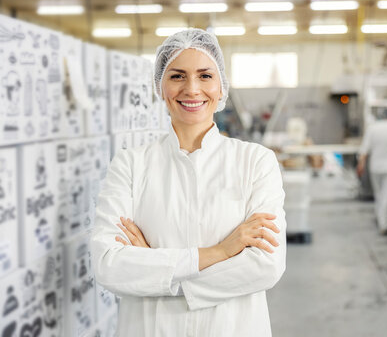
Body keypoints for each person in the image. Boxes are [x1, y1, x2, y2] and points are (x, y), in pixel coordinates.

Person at [90, 28, 286, 337]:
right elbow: (108, 266)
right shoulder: (131, 164)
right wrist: (222, 251)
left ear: (222, 87)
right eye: (177, 76)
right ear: (160, 87)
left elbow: (265, 266)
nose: (192, 89)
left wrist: (157, 275)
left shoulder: (255, 162)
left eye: (205, 76)